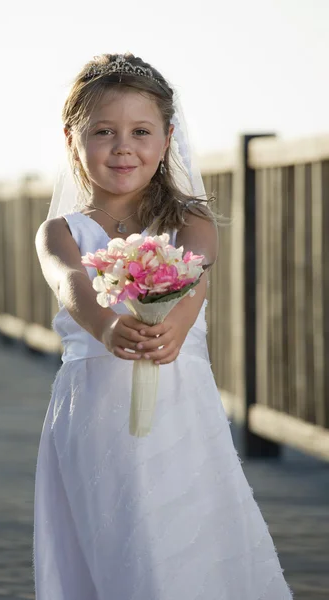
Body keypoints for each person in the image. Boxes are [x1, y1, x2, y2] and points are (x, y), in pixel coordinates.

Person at [33, 53, 292, 600]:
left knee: (180, 531)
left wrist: (174, 323)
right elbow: (70, 283)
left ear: (167, 137)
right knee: (112, 531)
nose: (123, 146)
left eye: (141, 131)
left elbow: (194, 278)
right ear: (71, 139)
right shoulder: (60, 230)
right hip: (94, 409)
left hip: (179, 402)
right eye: (103, 131)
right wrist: (106, 328)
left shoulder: (187, 220)